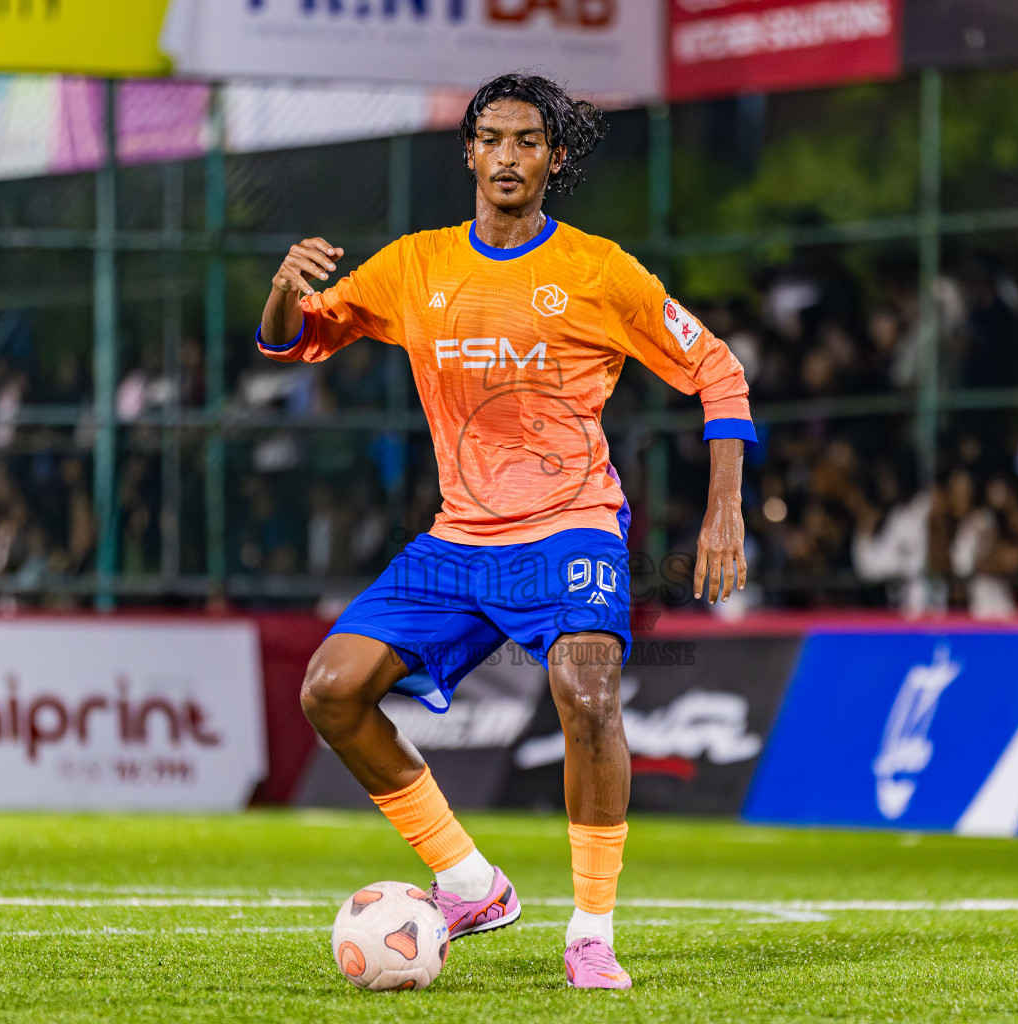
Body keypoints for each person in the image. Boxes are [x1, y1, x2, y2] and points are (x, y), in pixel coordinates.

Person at [256, 73, 753, 990]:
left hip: (571, 530)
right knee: (330, 690)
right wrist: (286, 292)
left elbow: (717, 371)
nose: (509, 156)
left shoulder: (601, 271)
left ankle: (591, 933)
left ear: (553, 159)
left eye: (529, 141)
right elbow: (298, 340)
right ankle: (468, 881)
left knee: (587, 689)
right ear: (471, 152)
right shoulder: (415, 265)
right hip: (458, 541)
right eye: (493, 139)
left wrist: (724, 508)